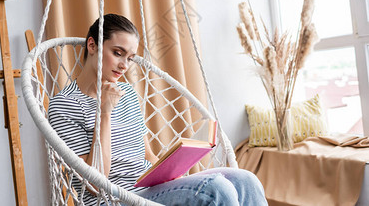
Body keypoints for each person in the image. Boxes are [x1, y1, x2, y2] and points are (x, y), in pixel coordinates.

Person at [48, 14, 268, 206]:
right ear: (92, 45)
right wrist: (104, 113)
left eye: (130, 58)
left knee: (245, 180)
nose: (125, 65)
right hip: (113, 199)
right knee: (216, 189)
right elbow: (95, 184)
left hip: (149, 189)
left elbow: (148, 155)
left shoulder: (126, 92)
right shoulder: (64, 106)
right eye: (117, 53)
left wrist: (174, 173)